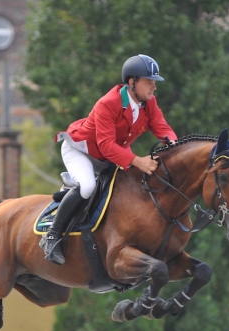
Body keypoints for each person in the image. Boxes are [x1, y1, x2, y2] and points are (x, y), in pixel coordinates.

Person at [39, 54, 178, 265]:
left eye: (154, 82)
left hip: (110, 156)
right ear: (132, 82)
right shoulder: (108, 103)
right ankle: (52, 235)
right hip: (81, 150)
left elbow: (161, 127)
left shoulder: (148, 102)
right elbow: (105, 145)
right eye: (148, 81)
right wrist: (138, 161)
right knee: (87, 187)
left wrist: (176, 146)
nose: (154, 87)